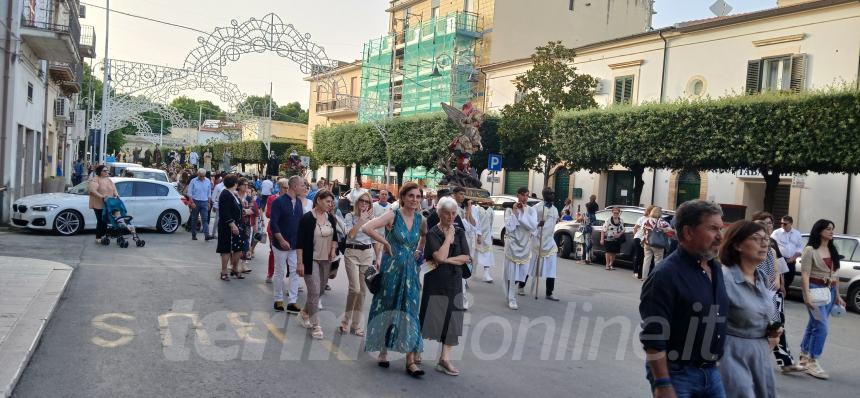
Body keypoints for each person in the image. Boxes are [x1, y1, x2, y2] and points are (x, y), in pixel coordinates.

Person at [640, 200, 728, 398]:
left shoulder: (715, 269)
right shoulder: (665, 275)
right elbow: (654, 336)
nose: (720, 236)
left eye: (720, 229)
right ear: (688, 232)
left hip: (712, 372)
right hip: (677, 374)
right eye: (713, 229)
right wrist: (662, 383)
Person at [361, 182, 426, 377]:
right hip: (392, 270)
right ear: (403, 197)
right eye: (411, 196)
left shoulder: (421, 219)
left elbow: (424, 236)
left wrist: (418, 250)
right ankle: (383, 351)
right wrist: (385, 242)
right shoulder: (393, 215)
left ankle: (410, 361)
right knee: (389, 308)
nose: (414, 200)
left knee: (410, 311)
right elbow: (367, 227)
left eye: (418, 197)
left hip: (411, 272)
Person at [717, 220, 780, 398]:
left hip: (759, 354)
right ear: (737, 245)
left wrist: (771, 330)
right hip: (731, 355)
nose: (764, 243)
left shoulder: (761, 278)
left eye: (766, 238)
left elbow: (759, 313)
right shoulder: (723, 279)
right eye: (756, 238)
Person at [421, 196, 470, 376]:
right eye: (447, 213)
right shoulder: (433, 233)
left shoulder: (460, 232)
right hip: (436, 281)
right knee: (430, 315)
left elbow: (466, 256)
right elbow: (439, 257)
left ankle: (444, 359)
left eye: (453, 213)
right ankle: (416, 351)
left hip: (454, 281)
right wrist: (448, 238)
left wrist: (448, 260)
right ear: (439, 213)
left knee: (452, 319)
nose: (451, 217)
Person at [750, 212, 804, 374]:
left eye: (770, 222)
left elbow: (778, 266)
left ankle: (785, 361)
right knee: (766, 327)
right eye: (764, 222)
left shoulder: (772, 242)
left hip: (773, 292)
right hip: (756, 291)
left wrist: (781, 283)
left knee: (777, 326)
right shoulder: (749, 241)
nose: (768, 225)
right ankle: (762, 361)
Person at [799, 219, 846, 380]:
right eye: (828, 229)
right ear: (819, 231)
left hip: (830, 292)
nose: (831, 231)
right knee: (822, 327)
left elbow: (836, 274)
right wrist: (806, 295)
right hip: (815, 291)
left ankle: (804, 356)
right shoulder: (810, 250)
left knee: (814, 324)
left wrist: (838, 295)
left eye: (832, 229)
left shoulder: (833, 249)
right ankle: (813, 360)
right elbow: (805, 274)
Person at [295, 190, 338, 340]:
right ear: (318, 200)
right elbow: (299, 243)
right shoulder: (307, 219)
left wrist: (333, 250)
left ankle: (304, 313)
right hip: (310, 259)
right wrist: (300, 263)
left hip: (326, 260)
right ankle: (316, 325)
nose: (330, 204)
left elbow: (335, 237)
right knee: (313, 291)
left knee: (319, 291)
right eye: (327, 201)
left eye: (331, 202)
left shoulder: (330, 217)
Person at [339, 192, 374, 337]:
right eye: (362, 201)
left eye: (367, 202)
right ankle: (345, 321)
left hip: (367, 254)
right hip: (352, 253)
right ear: (357, 202)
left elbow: (375, 239)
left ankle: (356, 324)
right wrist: (361, 220)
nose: (364, 204)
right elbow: (351, 235)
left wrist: (377, 258)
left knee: (363, 291)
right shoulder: (349, 216)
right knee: (355, 289)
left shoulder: (373, 219)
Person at [269, 176, 305, 314]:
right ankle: (278, 299)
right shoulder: (279, 202)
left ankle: (292, 302)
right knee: (279, 272)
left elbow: (300, 223)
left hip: (295, 244)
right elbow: (273, 223)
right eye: (302, 185)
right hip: (280, 244)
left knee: (295, 272)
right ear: (294, 186)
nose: (304, 187)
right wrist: (281, 240)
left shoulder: (300, 203)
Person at [503, 187, 536, 310]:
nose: (525, 198)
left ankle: (510, 293)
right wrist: (515, 213)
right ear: (518, 195)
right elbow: (509, 228)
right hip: (512, 245)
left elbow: (532, 227)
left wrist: (521, 217)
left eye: (527, 195)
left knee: (522, 273)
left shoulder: (531, 210)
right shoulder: (509, 210)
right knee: (511, 273)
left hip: (525, 245)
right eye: (523, 195)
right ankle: (511, 298)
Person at [526, 187, 560, 301]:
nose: (553, 195)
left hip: (550, 243)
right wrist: (537, 225)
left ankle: (549, 292)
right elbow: (530, 224)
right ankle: (521, 286)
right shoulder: (536, 208)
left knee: (551, 268)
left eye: (553, 194)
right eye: (550, 194)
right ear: (545, 195)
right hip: (537, 242)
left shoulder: (555, 209)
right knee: (530, 266)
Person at [216, 175, 245, 281]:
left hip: (237, 225)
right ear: (235, 184)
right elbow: (225, 212)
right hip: (227, 226)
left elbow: (237, 209)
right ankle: (224, 271)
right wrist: (232, 225)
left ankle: (235, 269)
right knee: (226, 249)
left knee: (238, 248)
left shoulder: (233, 194)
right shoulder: (225, 194)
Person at [265, 178, 289, 284]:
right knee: (274, 252)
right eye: (284, 188)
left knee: (289, 253)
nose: (287, 190)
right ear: (279, 187)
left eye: (288, 188)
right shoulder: (272, 198)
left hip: (287, 230)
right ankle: (270, 273)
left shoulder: (292, 199)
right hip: (274, 230)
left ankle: (284, 275)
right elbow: (268, 214)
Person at [88, 165, 119, 243]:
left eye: (107, 170)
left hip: (108, 204)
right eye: (104, 171)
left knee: (105, 220)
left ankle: (104, 236)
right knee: (101, 221)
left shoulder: (108, 180)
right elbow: (93, 190)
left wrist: (116, 194)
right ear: (100, 172)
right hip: (98, 204)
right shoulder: (95, 179)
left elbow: (114, 189)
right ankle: (98, 237)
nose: (106, 172)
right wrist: (101, 196)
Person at [771, 215, 802, 292]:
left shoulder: (797, 233)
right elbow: (771, 245)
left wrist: (793, 258)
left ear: (791, 223)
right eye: (781, 223)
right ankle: (778, 295)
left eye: (785, 224)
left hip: (791, 261)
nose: (782, 225)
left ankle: (782, 296)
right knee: (779, 280)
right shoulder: (777, 232)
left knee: (789, 280)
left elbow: (800, 248)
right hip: (780, 260)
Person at [641, 207, 673, 277]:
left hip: (647, 242)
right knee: (658, 261)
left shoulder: (646, 221)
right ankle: (655, 277)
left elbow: (642, 230)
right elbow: (670, 231)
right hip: (658, 244)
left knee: (646, 260)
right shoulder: (662, 222)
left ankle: (644, 276)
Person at [188, 169, 213, 241]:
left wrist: (208, 202)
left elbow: (209, 193)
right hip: (195, 201)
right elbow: (190, 192)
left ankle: (207, 235)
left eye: (203, 176)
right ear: (198, 174)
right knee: (194, 219)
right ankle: (194, 235)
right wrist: (192, 202)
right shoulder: (193, 181)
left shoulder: (208, 181)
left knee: (205, 219)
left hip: (204, 202)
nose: (202, 177)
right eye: (200, 176)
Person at [631, 206, 654, 280]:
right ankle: (635, 271)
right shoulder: (642, 218)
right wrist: (635, 236)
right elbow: (635, 228)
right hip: (638, 238)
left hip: (646, 240)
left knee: (644, 257)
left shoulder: (653, 219)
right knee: (638, 255)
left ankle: (641, 273)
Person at [475, 201, 495, 283]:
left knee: (488, 254)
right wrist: (478, 235)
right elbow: (476, 223)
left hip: (487, 236)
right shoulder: (477, 209)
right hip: (477, 236)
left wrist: (491, 234)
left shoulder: (491, 210)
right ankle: (470, 273)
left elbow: (491, 224)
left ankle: (486, 274)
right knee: (474, 255)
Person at [372, 189, 392, 267]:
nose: (384, 196)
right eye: (382, 194)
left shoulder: (391, 207)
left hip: (387, 235)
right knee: (376, 256)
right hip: (376, 234)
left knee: (384, 255)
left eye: (385, 194)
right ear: (379, 195)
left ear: (388, 196)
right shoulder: (374, 205)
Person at [210, 173, 226, 239]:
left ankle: (222, 233)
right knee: (217, 220)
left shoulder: (229, 187)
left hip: (226, 205)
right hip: (218, 204)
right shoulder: (218, 186)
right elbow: (213, 197)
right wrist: (214, 205)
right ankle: (214, 233)